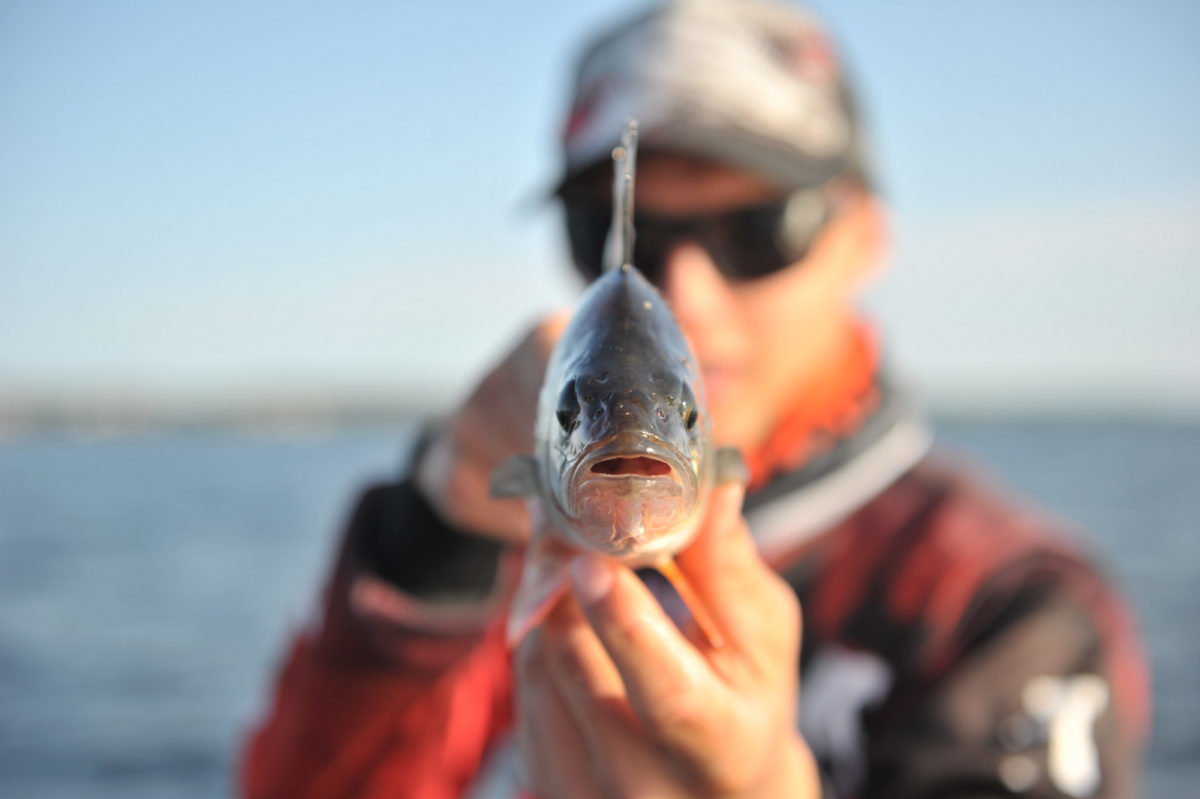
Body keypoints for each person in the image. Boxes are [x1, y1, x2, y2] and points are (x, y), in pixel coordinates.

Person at [240, 1, 1150, 797]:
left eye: (759, 230)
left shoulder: (1003, 609)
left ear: (865, 236)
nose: (686, 290)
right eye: (612, 230)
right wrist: (438, 533)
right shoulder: (515, 542)